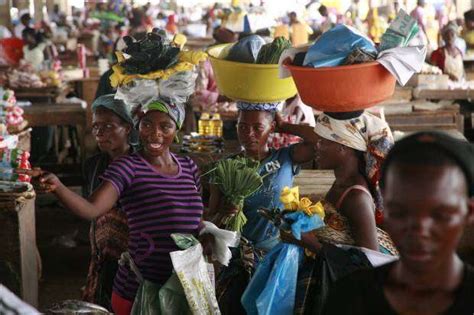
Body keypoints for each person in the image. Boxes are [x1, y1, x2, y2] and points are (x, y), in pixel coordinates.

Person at [38, 84, 208, 314]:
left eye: (165, 126)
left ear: (176, 128)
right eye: (147, 124)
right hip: (138, 288)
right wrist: (58, 186)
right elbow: (91, 209)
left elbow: (196, 219)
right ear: (137, 126)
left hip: (182, 285)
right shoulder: (127, 167)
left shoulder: (188, 167)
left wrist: (211, 233)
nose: (155, 133)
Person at [323, 131, 474, 314]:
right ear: (384, 208)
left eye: (440, 215)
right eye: (400, 213)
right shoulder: (349, 298)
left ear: (469, 212)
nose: (419, 230)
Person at [276, 111, 398, 314]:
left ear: (344, 147)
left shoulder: (356, 197)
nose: (317, 146)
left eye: (324, 142)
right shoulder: (341, 183)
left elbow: (369, 262)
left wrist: (305, 240)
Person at [209, 101, 317, 315]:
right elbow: (209, 220)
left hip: (276, 256)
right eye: (242, 127)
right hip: (236, 259)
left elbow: (318, 140)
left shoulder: (285, 158)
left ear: (271, 128)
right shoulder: (225, 167)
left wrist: (285, 125)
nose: (249, 134)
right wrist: (223, 212)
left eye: (258, 127)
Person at [81, 95, 136, 310]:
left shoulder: (140, 164)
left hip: (131, 255)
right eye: (95, 126)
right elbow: (91, 210)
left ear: (128, 128)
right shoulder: (93, 165)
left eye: (108, 126)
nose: (99, 132)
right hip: (102, 253)